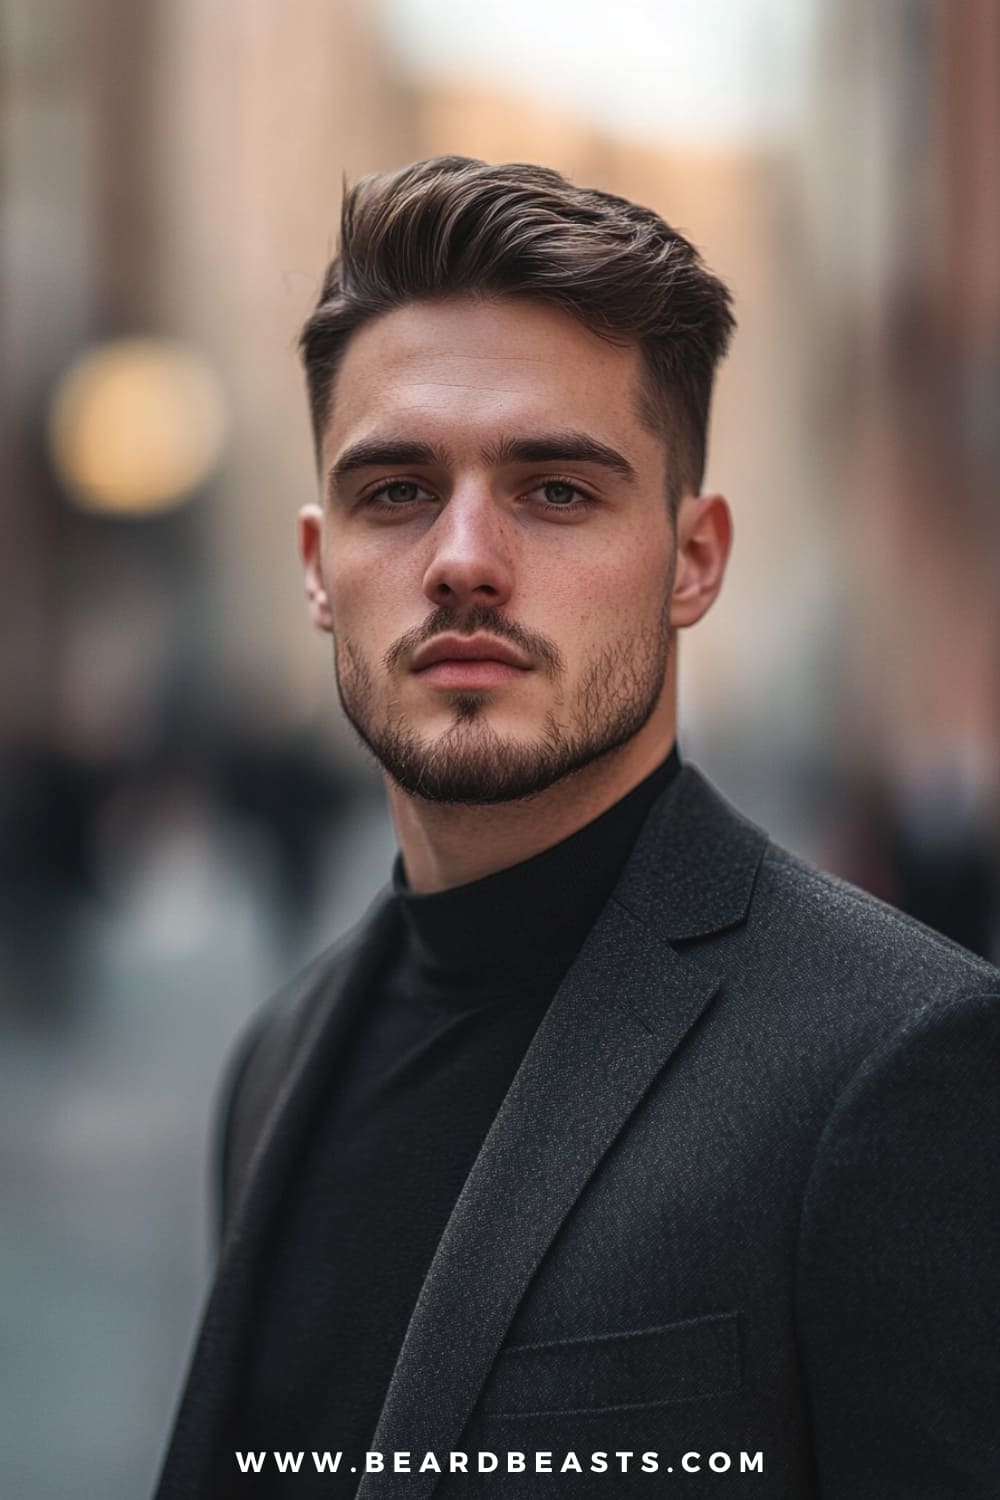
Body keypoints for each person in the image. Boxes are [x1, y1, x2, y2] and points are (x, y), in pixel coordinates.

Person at [152, 157, 1000, 1499]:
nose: (463, 557)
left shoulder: (898, 1062)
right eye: (396, 491)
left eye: (556, 489)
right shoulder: (274, 1065)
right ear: (319, 570)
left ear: (694, 558)